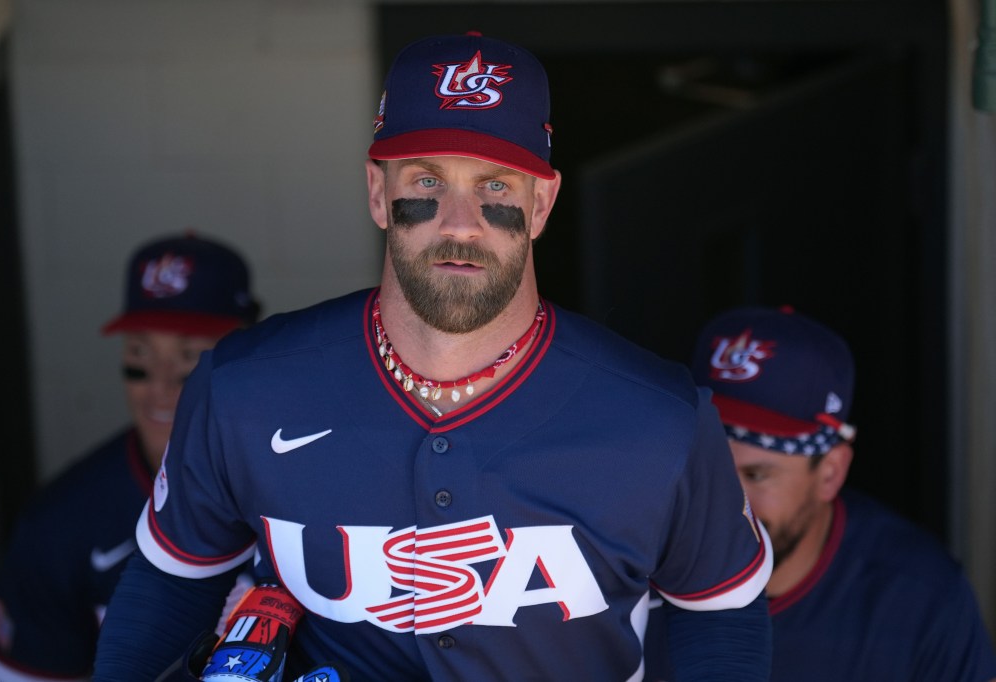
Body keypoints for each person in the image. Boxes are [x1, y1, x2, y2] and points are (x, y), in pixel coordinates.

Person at [93, 33, 773, 681]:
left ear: (542, 205)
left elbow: (720, 615)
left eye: (496, 187)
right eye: (427, 180)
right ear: (376, 191)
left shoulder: (662, 420)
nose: (458, 221)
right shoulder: (244, 387)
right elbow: (172, 580)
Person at [646, 305, 996, 681]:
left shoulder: (920, 595)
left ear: (831, 473)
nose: (724, 501)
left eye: (757, 474)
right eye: (708, 468)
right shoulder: (627, 564)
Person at [0, 232, 260, 681]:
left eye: (188, 358)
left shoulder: (309, 478)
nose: (160, 385)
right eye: (139, 357)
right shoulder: (61, 520)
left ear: (250, 349)